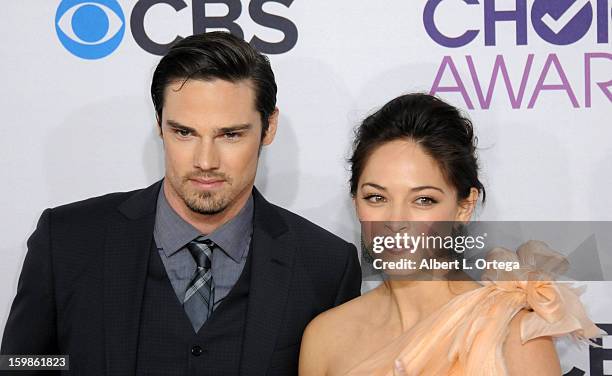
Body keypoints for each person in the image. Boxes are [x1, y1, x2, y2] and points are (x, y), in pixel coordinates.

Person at [1, 32, 361, 375]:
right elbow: (23, 365)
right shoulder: (66, 241)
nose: (205, 160)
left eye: (230, 134)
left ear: (268, 128)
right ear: (159, 125)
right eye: (184, 132)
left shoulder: (325, 267)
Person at [298, 93, 602, 375]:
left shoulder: (513, 332)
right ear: (356, 202)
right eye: (376, 197)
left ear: (463, 207)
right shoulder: (325, 338)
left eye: (423, 200)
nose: (395, 221)